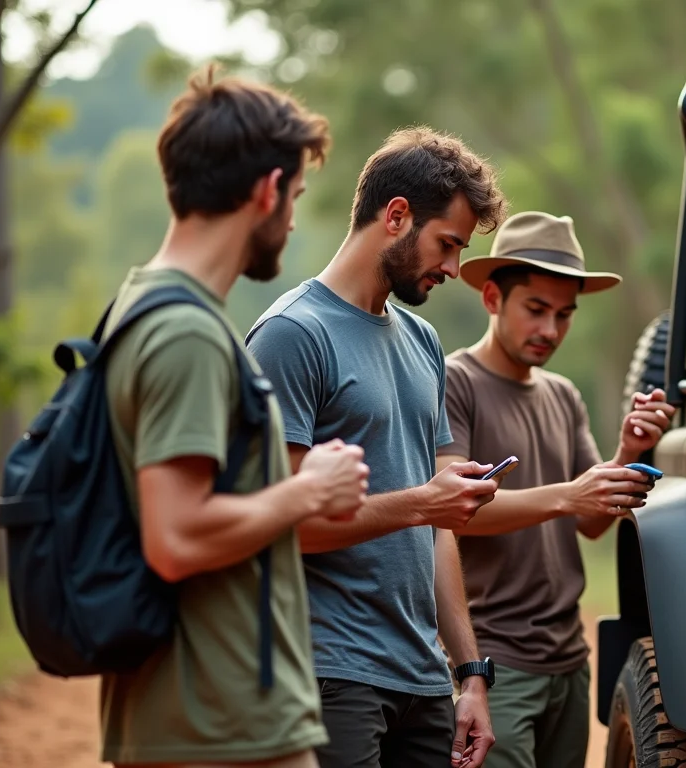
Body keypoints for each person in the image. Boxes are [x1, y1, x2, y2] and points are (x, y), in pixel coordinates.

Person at [99, 66, 371, 768]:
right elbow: (176, 536)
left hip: (200, 720)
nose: (290, 218)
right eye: (295, 196)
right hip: (221, 728)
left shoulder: (139, 306)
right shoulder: (185, 333)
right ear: (267, 190)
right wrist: (309, 490)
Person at [246, 126, 511, 768]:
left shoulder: (421, 341)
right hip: (329, 673)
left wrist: (469, 672)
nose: (454, 268)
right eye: (447, 244)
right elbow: (281, 527)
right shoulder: (291, 335)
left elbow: (438, 524)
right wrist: (423, 503)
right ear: (395, 216)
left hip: (421, 679)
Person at [437, 211, 676, 768]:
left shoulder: (563, 395)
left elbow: (590, 519)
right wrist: (569, 494)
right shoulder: (455, 382)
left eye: (564, 314)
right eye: (536, 310)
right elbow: (455, 513)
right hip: (496, 662)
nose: (551, 330)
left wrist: (628, 453)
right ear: (492, 297)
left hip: (569, 661)